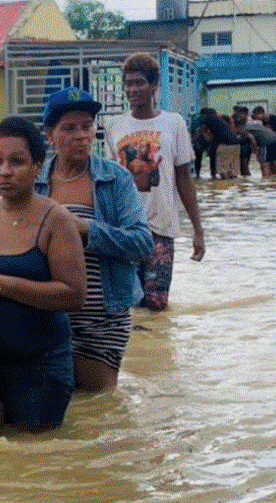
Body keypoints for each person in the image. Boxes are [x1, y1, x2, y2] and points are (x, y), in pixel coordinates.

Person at [0, 116, 85, 436]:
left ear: (37, 166)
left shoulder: (56, 220)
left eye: (16, 161)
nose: (5, 170)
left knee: (36, 465)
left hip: (40, 363)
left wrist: (2, 284)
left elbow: (73, 295)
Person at [35, 87, 152, 393]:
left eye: (87, 126)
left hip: (103, 317)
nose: (81, 136)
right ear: (49, 135)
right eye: (69, 128)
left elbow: (142, 242)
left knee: (100, 406)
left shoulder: (116, 179)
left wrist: (85, 228)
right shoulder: (34, 183)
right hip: (48, 316)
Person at [105, 53, 206, 312]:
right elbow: (109, 181)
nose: (132, 89)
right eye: (128, 84)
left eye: (139, 83)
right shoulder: (114, 126)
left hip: (161, 228)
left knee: (156, 306)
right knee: (126, 305)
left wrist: (197, 230)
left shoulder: (173, 123)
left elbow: (184, 178)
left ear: (153, 86)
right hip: (124, 228)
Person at [251, 105, 276, 177]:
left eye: (256, 116)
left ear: (261, 113)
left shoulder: (274, 118)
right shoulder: (261, 122)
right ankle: (273, 180)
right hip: (269, 144)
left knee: (275, 163)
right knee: (269, 162)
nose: (256, 119)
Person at [231, 106, 258, 177]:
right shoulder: (237, 120)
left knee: (244, 167)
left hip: (245, 146)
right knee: (241, 167)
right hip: (239, 146)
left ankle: (246, 182)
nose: (241, 116)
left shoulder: (250, 123)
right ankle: (245, 182)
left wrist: (254, 148)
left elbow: (251, 138)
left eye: (243, 114)